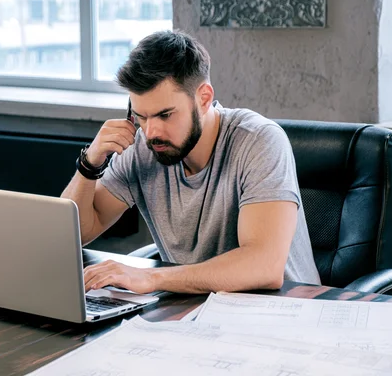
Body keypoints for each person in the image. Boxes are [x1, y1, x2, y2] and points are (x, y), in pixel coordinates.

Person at [61, 30, 321, 294]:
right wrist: (90, 164)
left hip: (282, 314)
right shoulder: (142, 146)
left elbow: (264, 267)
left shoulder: (259, 141)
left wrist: (152, 278)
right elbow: (75, 235)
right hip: (194, 312)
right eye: (141, 116)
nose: (151, 132)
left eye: (165, 115)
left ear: (204, 98)